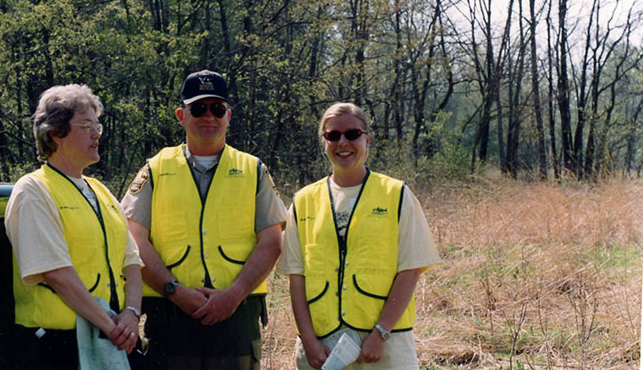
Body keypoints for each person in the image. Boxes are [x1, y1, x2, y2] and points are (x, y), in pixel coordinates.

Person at [121, 70, 287, 370]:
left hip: (237, 317)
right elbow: (133, 238)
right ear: (181, 115)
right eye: (198, 108)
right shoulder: (156, 169)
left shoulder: (254, 170)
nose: (208, 116)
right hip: (170, 316)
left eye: (217, 108)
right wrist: (175, 291)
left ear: (228, 115)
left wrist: (233, 295)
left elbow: (272, 242)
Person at [278, 102, 439, 370]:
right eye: (333, 135)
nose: (343, 142)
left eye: (352, 134)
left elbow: (410, 270)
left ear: (367, 139)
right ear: (324, 141)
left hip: (385, 347)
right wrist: (309, 342)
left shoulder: (397, 195)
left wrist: (381, 333)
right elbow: (297, 277)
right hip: (321, 349)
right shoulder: (303, 200)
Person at [5, 84, 144, 369]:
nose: (96, 135)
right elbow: (56, 273)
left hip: (110, 338)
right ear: (56, 134)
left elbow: (131, 262)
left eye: (98, 127)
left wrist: (131, 315)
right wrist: (111, 326)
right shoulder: (33, 190)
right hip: (57, 346)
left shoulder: (100, 191)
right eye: (86, 127)